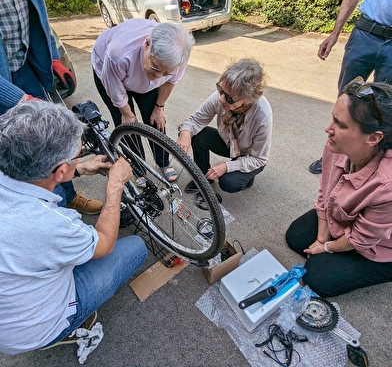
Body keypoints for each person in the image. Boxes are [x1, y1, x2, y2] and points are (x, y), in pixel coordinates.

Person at [0, 100, 147, 354]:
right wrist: (115, 186)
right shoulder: (51, 224)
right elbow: (104, 242)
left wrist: (78, 168)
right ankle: (69, 323)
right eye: (78, 155)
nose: (81, 158)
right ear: (59, 171)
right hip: (34, 331)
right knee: (136, 247)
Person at [0, 0, 102, 214]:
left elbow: (39, 14)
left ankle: (67, 196)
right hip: (3, 77)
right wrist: (19, 99)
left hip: (25, 66)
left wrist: (53, 57)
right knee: (17, 152)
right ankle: (43, 214)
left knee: (53, 140)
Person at [286, 77, 392, 297]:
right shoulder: (336, 144)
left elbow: (362, 238)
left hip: (380, 241)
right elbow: (326, 190)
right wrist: (322, 237)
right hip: (348, 218)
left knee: (316, 276)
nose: (328, 129)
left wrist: (326, 248)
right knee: (296, 237)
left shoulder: (387, 184)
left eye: (340, 125)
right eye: (333, 119)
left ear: (373, 137)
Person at [92, 18, 195, 183]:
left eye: (166, 72)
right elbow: (114, 89)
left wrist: (159, 107)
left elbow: (170, 81)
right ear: (147, 45)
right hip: (111, 74)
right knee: (128, 126)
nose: (158, 77)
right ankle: (139, 168)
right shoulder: (119, 53)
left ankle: (163, 163)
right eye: (155, 67)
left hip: (138, 69)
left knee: (156, 120)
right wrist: (126, 112)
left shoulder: (179, 57)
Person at [309, 0, 392, 175]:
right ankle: (334, 155)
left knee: (384, 111)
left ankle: (371, 170)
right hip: (365, 33)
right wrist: (335, 33)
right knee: (345, 101)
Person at [177, 58, 272, 193]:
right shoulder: (222, 96)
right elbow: (195, 120)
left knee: (229, 182)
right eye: (220, 90)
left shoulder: (262, 115)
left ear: (247, 99)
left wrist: (226, 167)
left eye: (229, 97)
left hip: (249, 154)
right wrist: (185, 133)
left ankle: (247, 177)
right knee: (197, 134)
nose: (221, 98)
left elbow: (259, 159)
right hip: (228, 143)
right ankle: (203, 177)